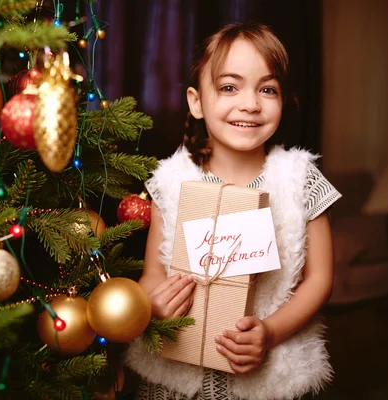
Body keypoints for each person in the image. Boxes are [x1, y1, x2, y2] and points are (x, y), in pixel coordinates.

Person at [124, 22, 342, 400]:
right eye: (229, 87)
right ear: (196, 101)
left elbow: (319, 279)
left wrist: (270, 331)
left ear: (283, 100)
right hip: (176, 381)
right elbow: (152, 273)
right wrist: (152, 304)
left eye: (267, 89)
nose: (250, 104)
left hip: (268, 381)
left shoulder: (300, 180)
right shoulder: (170, 182)